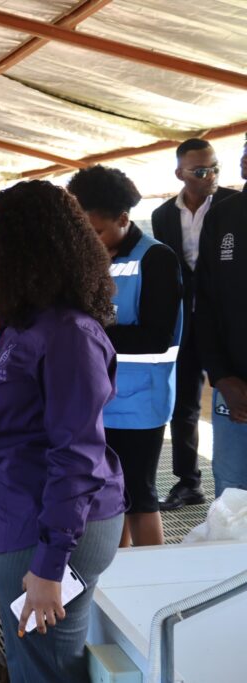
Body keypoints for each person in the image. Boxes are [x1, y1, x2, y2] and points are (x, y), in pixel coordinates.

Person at [0, 181, 125, 683]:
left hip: (51, 530)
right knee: (32, 661)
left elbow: (77, 457)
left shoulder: (67, 335)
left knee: (49, 668)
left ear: (25, 252)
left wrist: (49, 565)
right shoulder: (23, 322)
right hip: (19, 513)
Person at [68, 166, 182, 548]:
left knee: (138, 494)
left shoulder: (157, 259)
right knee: (107, 495)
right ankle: (117, 574)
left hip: (138, 402)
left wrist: (87, 335)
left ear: (122, 218)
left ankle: (153, 577)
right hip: (96, 398)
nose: (91, 241)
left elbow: (156, 336)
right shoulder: (85, 261)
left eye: (97, 232)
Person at [152, 139, 237, 509]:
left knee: (231, 398)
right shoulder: (162, 215)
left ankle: (235, 484)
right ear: (180, 174)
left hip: (227, 320)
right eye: (200, 171)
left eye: (215, 167)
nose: (210, 176)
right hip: (186, 321)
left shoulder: (235, 206)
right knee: (184, 405)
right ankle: (189, 483)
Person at [197, 134, 247, 496]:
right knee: (231, 495)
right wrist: (222, 376)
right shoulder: (224, 216)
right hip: (234, 391)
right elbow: (206, 302)